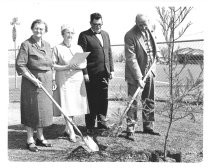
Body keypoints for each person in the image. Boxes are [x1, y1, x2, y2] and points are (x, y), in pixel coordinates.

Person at [16, 19, 53, 152]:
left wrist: (52, 79)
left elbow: (51, 65)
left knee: (42, 110)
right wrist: (33, 79)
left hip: (46, 82)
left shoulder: (48, 45)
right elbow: (20, 64)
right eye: (36, 28)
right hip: (31, 82)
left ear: (45, 31)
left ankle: (40, 137)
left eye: (41, 29)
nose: (39, 31)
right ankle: (30, 139)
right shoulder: (26, 44)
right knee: (32, 109)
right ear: (32, 29)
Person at [124, 14, 160, 140]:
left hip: (150, 71)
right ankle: (130, 128)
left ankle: (148, 126)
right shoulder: (130, 35)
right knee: (133, 101)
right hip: (135, 74)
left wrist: (158, 55)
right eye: (140, 25)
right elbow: (131, 58)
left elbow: (154, 47)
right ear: (136, 23)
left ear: (148, 22)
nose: (143, 27)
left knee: (149, 99)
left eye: (145, 24)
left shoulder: (151, 29)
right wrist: (139, 78)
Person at [78, 13, 114, 135]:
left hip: (104, 74)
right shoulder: (84, 36)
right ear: (90, 23)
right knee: (91, 100)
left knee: (104, 100)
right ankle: (89, 125)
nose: (98, 26)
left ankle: (102, 123)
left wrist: (111, 70)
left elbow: (109, 53)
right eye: (95, 24)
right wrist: (85, 73)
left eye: (100, 24)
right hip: (91, 75)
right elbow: (82, 56)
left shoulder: (106, 34)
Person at [52, 25, 89, 142]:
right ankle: (71, 130)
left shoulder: (78, 47)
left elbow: (84, 63)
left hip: (77, 78)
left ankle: (68, 128)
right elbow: (53, 65)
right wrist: (66, 66)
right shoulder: (57, 48)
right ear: (63, 34)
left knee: (73, 104)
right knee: (66, 104)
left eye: (71, 33)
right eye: (67, 33)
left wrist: (78, 65)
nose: (69, 35)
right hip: (63, 78)